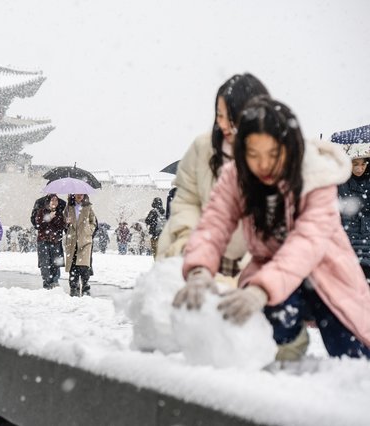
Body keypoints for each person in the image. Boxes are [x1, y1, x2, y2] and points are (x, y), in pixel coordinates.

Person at [175, 96, 370, 359]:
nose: (263, 164)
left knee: (352, 353)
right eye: (253, 155)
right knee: (273, 328)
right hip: (274, 275)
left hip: (328, 272)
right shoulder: (237, 176)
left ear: (289, 148)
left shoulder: (316, 175)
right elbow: (214, 224)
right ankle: (289, 344)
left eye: (272, 154)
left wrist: (261, 289)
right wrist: (198, 269)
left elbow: (306, 243)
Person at [158, 73, 270, 280]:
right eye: (220, 115)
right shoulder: (203, 148)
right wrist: (187, 243)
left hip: (256, 269)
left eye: (232, 116)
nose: (224, 124)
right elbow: (186, 201)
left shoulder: (275, 156)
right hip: (200, 258)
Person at [337, 152, 370, 281]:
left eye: (363, 164)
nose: (359, 168)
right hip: (348, 238)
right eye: (355, 164)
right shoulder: (339, 182)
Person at [64, 194, 97, 297]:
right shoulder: (69, 207)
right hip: (72, 240)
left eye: (81, 193)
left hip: (85, 240)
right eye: (77, 193)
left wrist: (89, 230)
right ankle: (74, 287)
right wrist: (66, 221)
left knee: (84, 266)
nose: (79, 195)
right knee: (73, 265)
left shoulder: (88, 207)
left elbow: (93, 222)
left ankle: (85, 287)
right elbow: (63, 221)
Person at [35, 194, 66, 289]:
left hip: (55, 241)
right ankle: (47, 282)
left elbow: (61, 227)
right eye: (52, 200)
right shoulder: (41, 211)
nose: (54, 202)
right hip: (43, 241)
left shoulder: (59, 213)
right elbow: (38, 226)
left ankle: (55, 281)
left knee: (56, 262)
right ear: (48, 202)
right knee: (45, 262)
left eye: (56, 200)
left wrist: (64, 222)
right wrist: (49, 218)